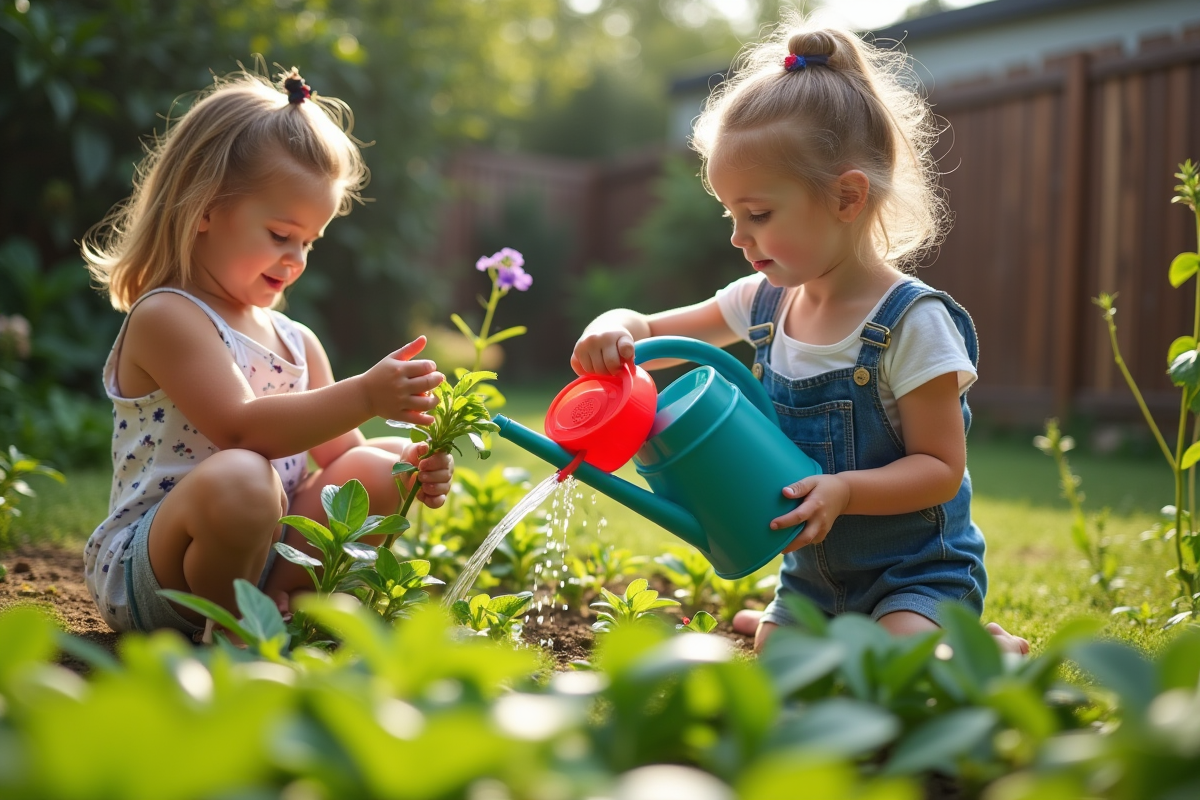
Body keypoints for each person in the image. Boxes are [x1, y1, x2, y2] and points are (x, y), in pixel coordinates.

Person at [571, 23, 1028, 655]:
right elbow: (650, 332)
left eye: (758, 215)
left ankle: (985, 650)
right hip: (813, 582)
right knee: (781, 669)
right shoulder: (763, 301)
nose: (738, 237)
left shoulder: (911, 323)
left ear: (846, 196)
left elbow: (941, 470)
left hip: (917, 575)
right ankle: (843, 636)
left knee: (897, 673)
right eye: (731, 216)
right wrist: (615, 326)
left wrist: (845, 490)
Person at [82, 68, 452, 640]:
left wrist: (415, 465)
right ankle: (231, 637)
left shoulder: (297, 341)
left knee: (383, 467)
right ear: (204, 208)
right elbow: (239, 429)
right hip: (156, 574)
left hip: (266, 554)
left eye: (309, 242)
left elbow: (345, 465)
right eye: (281, 235)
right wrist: (364, 393)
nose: (297, 258)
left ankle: (275, 602)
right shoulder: (168, 316)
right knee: (243, 477)